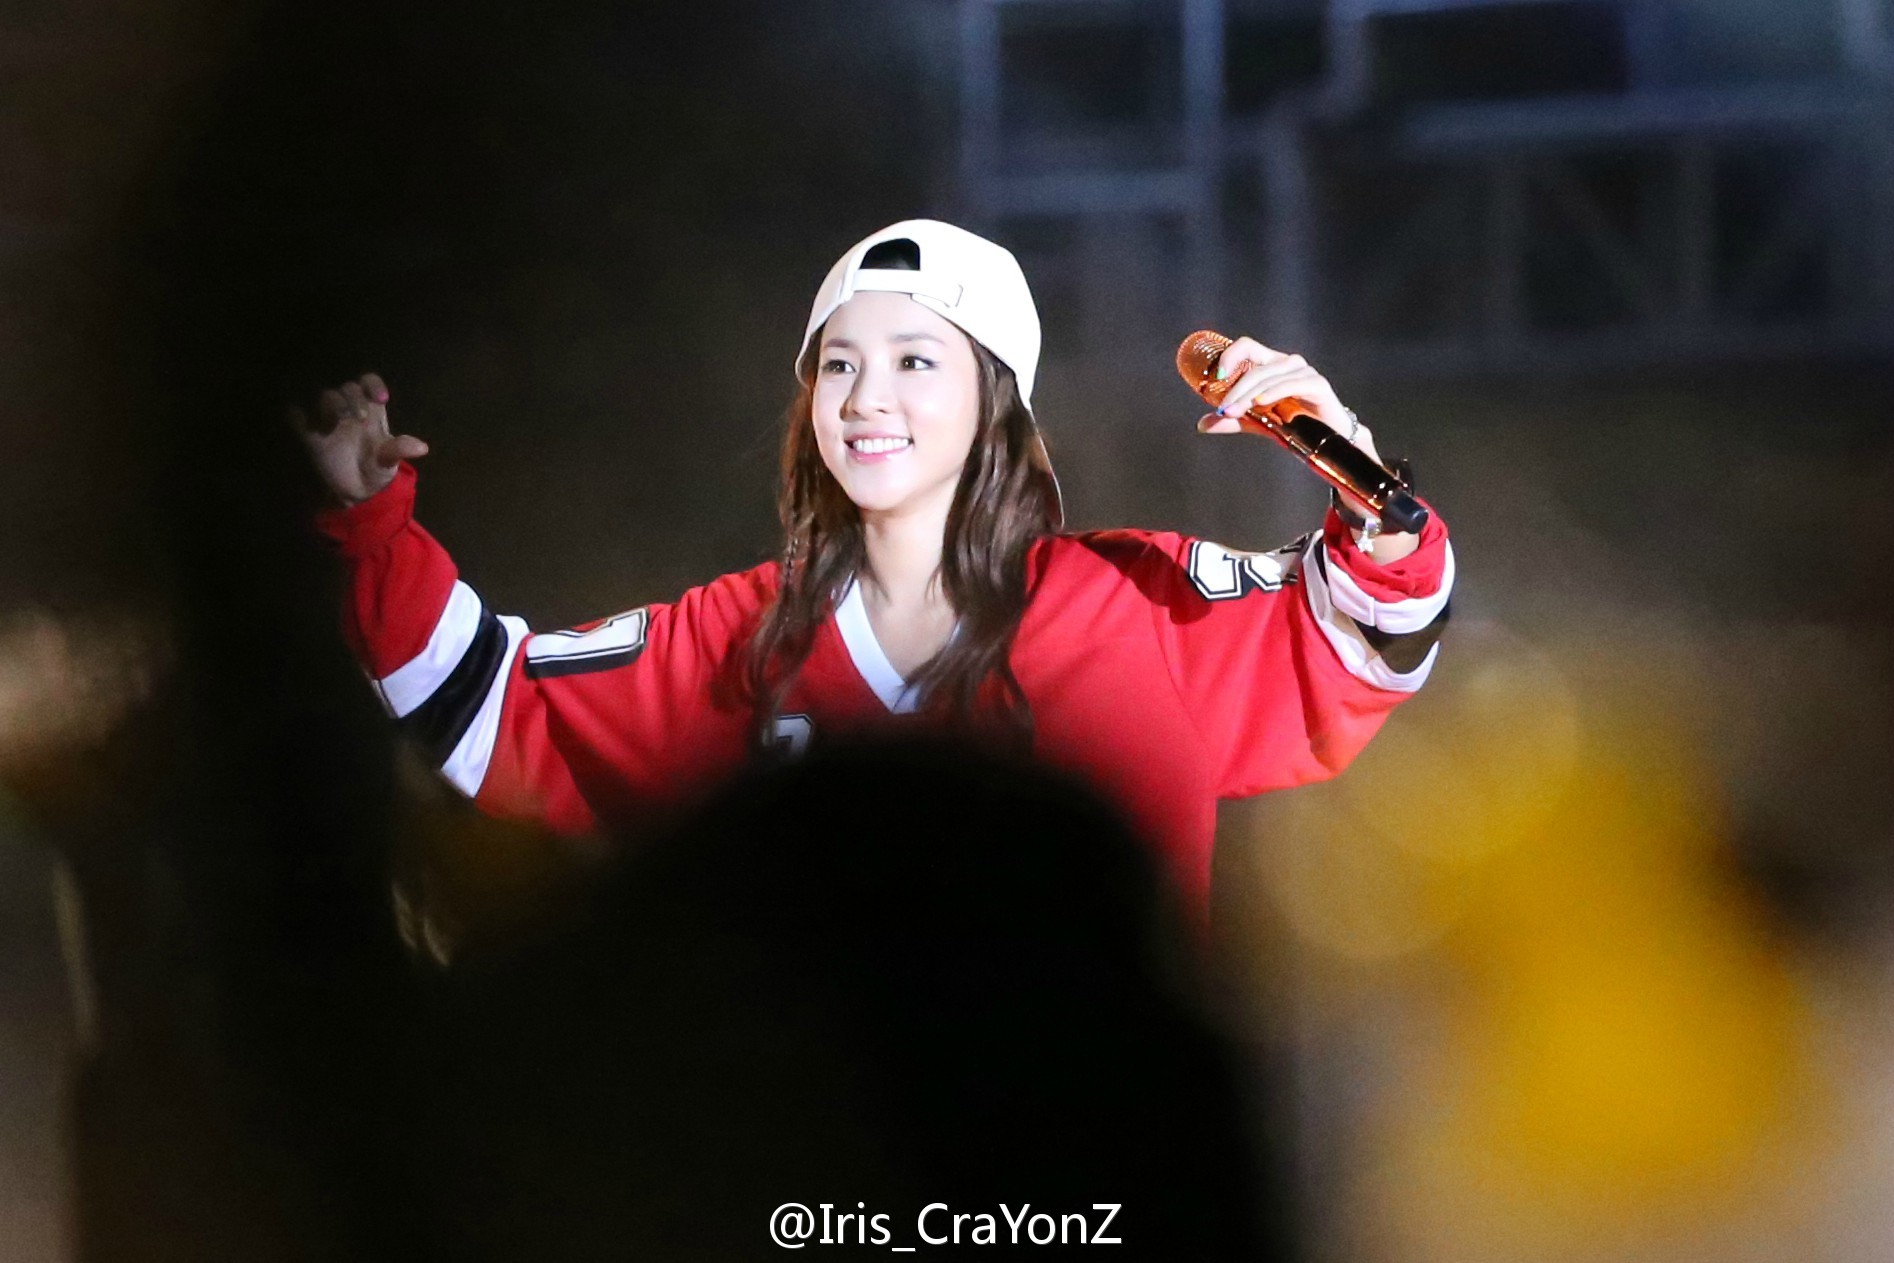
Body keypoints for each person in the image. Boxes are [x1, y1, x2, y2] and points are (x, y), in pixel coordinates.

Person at [301, 220, 1454, 909]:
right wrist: (369, 520)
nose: (865, 398)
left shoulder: (1137, 606)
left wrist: (1353, 463)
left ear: (995, 402)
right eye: (839, 365)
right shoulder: (737, 640)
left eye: (914, 360)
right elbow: (492, 710)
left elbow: (1369, 636)